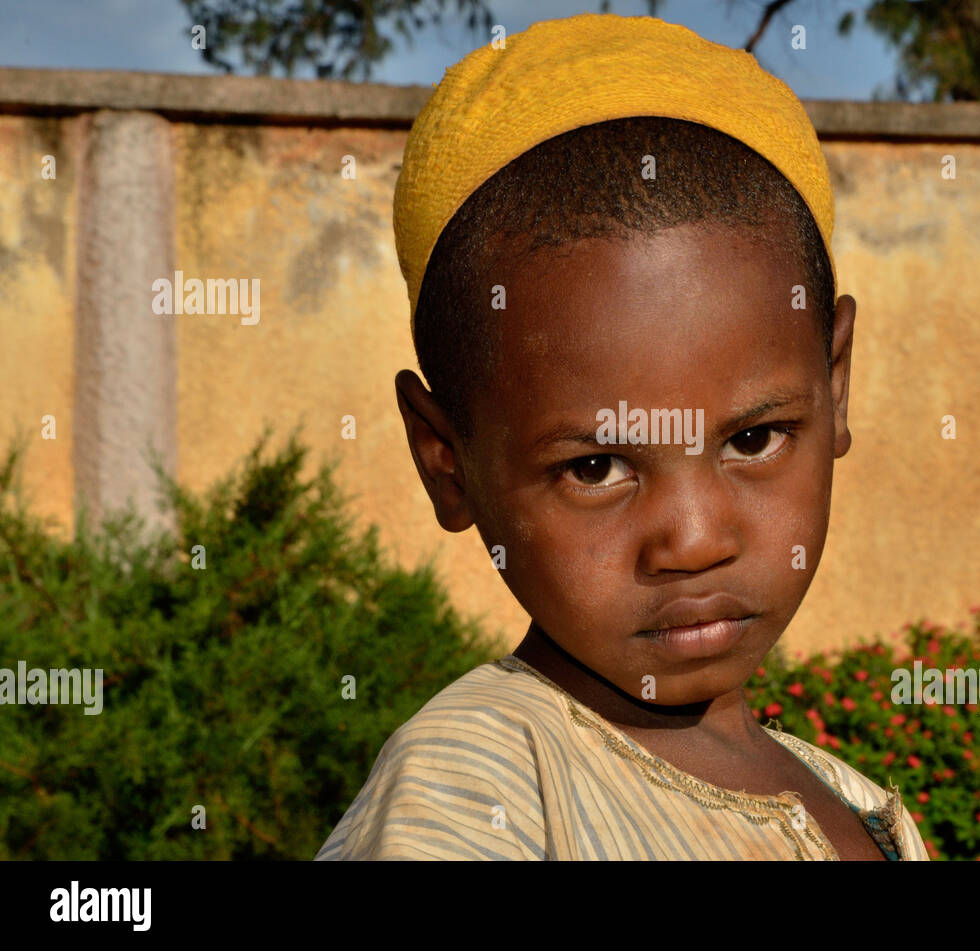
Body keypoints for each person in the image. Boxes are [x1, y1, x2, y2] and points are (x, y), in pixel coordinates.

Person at [316, 12, 927, 861]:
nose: (694, 539)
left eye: (753, 441)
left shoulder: (852, 799)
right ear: (446, 460)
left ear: (836, 385)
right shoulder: (478, 786)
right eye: (596, 466)